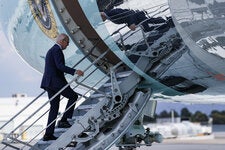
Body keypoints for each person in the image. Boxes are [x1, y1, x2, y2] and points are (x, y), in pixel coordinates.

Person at [40, 33, 84, 141]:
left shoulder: (51, 50)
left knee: (54, 108)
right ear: (62, 41)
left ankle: (48, 134)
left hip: (49, 83)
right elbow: (60, 66)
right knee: (73, 96)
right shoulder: (57, 50)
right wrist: (75, 71)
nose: (67, 45)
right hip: (56, 82)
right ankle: (64, 120)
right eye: (67, 43)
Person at [100, 8, 167, 32]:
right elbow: (125, 18)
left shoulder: (111, 13)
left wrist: (131, 23)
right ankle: (164, 22)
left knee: (147, 28)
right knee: (150, 22)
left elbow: (127, 14)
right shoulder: (109, 15)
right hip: (137, 17)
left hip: (137, 16)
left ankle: (165, 24)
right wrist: (129, 24)